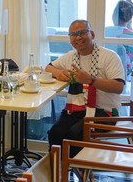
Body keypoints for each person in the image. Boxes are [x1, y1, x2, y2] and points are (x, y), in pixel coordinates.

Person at [46, 20, 125, 149]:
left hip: (104, 113)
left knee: (74, 135)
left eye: (82, 32)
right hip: (76, 110)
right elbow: (48, 67)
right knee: (55, 133)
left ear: (92, 34)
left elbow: (119, 87)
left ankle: (74, 162)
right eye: (73, 34)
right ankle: (59, 162)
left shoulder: (110, 56)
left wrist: (91, 80)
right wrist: (58, 73)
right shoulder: (70, 57)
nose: (78, 37)